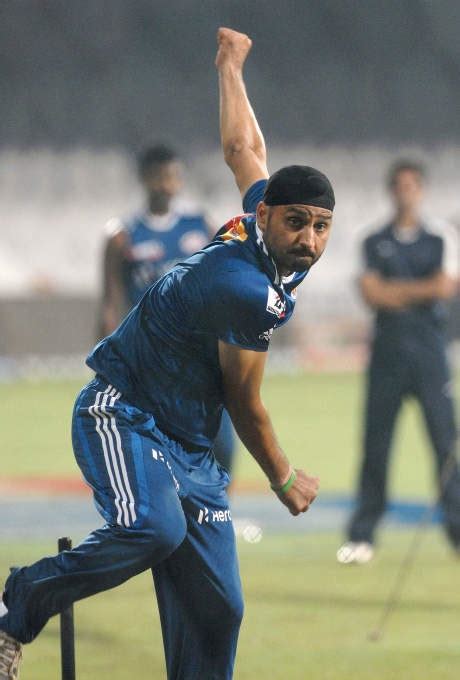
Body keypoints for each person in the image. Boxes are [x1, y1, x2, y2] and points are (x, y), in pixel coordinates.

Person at [0, 27, 334, 680]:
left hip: (187, 444)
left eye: (322, 226)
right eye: (297, 222)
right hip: (121, 412)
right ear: (268, 218)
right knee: (152, 530)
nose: (311, 240)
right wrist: (284, 477)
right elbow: (244, 400)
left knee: (219, 610)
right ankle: (17, 604)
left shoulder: (258, 224)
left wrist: (230, 67)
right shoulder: (247, 288)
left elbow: (244, 147)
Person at [337, 159, 460, 565]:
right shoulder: (371, 239)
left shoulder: (442, 236)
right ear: (392, 190)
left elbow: (444, 287)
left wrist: (396, 291)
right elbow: (371, 295)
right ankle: (363, 534)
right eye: (400, 185)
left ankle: (457, 531)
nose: (406, 191)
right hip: (387, 354)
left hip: (429, 355)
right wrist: (418, 290)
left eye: (413, 185)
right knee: (376, 445)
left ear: (421, 190)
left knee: (445, 445)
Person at [98, 143, 235, 474]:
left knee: (222, 444)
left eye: (172, 176)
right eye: (159, 177)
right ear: (145, 179)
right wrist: (107, 363)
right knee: (162, 447)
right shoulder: (123, 235)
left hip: (200, 351)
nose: (166, 184)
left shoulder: (199, 224)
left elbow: (223, 281)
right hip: (151, 355)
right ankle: (171, 518)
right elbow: (110, 301)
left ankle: (215, 517)